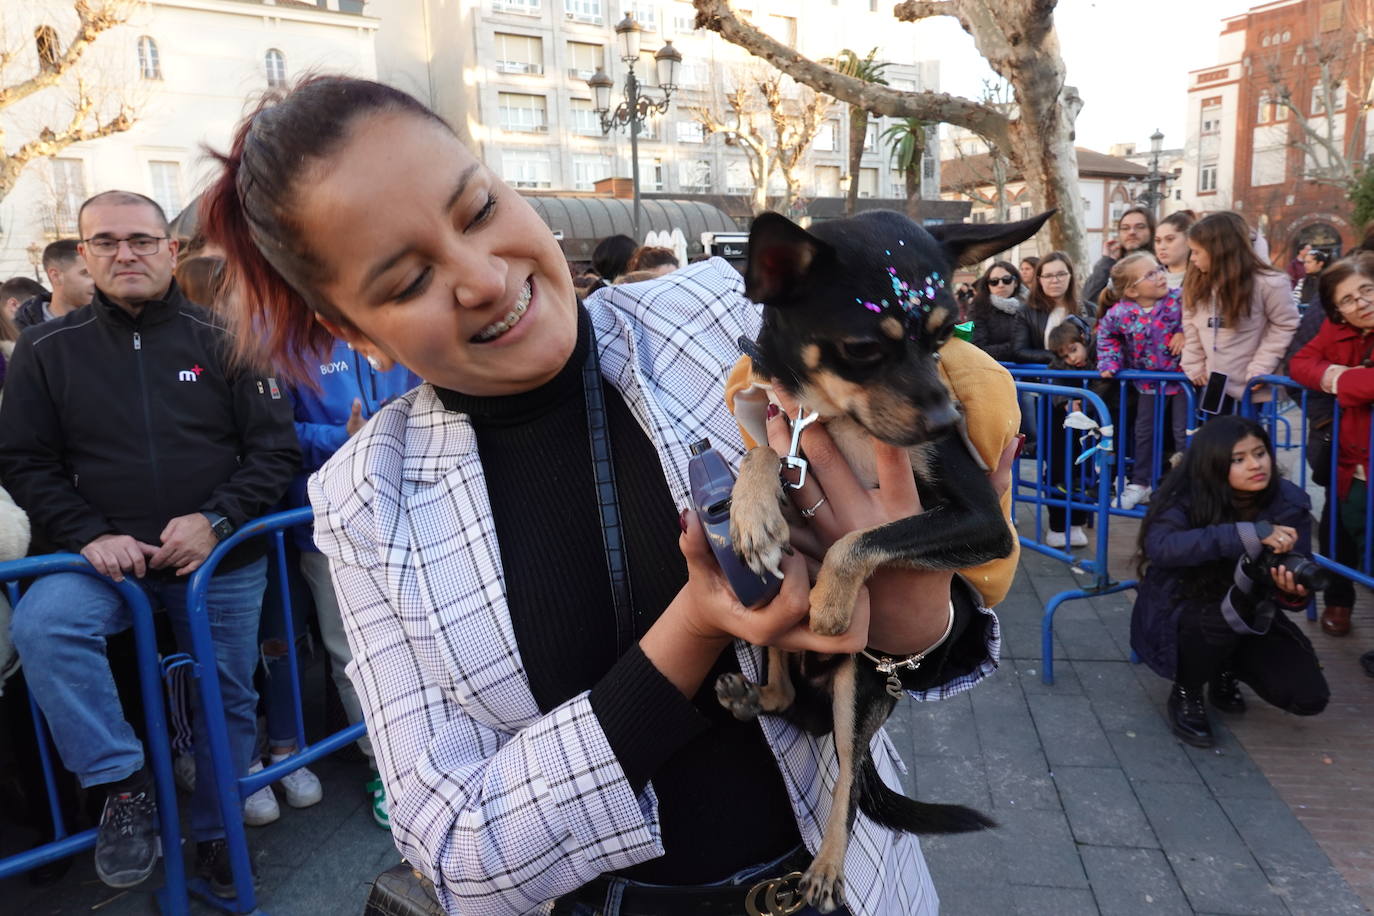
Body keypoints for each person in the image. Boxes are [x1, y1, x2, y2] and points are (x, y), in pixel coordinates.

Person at [199, 75, 1009, 916]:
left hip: (853, 891)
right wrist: (691, 630)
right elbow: (454, 855)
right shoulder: (365, 499)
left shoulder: (725, 317)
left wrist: (922, 614)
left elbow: (931, 639)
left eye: (477, 209)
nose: (482, 277)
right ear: (350, 332)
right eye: (407, 283)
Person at [0, 190, 300, 895]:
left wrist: (216, 522)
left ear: (172, 249)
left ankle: (217, 835)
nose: (124, 253)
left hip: (219, 560)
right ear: (83, 255)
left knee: (224, 697)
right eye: (105, 241)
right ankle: (121, 783)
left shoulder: (227, 335)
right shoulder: (46, 348)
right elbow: (24, 460)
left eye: (141, 239)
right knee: (45, 626)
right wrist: (89, 535)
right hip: (101, 562)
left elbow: (273, 450)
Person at [277, 337, 420, 828]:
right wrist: (346, 435)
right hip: (329, 526)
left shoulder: (394, 320)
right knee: (353, 654)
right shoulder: (286, 343)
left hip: (414, 506)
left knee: (427, 640)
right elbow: (276, 434)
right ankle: (386, 769)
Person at [1131, 415, 1329, 748]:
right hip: (1183, 605)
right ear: (1213, 463)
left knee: (1308, 697)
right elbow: (1161, 547)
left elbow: (1298, 570)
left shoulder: (1289, 502)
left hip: (1251, 610)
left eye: (1260, 453)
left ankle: (1226, 666)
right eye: (1239, 459)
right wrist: (1246, 534)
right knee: (1215, 622)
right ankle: (1188, 690)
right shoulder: (1185, 494)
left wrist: (1292, 591)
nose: (1255, 465)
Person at [1289, 251, 1374, 638]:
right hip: (1349, 460)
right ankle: (1339, 602)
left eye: (1367, 291)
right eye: (1348, 300)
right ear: (1337, 312)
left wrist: (1343, 384)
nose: (1362, 303)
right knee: (1340, 534)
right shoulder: (1336, 331)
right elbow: (1299, 363)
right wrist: (1337, 376)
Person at [1096, 252, 1188, 510]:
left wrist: (1184, 333)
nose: (1160, 275)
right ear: (1132, 291)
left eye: (1158, 269)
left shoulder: (1178, 300)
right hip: (1146, 384)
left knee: (1184, 433)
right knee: (1144, 433)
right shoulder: (1121, 312)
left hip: (1181, 380)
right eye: (1150, 274)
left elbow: (1198, 321)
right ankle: (1140, 482)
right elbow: (1106, 335)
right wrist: (1110, 362)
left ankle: (1189, 484)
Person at [1181, 212, 1299, 410]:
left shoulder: (1269, 283)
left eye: (1196, 252)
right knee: (1212, 438)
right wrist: (1193, 362)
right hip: (1211, 383)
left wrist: (1261, 367)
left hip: (1251, 385)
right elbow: (1191, 321)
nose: (1192, 258)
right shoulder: (1197, 282)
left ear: (1218, 251)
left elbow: (1285, 324)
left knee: (1246, 438)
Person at [1043, 320, 1111, 547]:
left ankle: (1076, 524)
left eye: (1073, 350)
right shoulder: (1058, 366)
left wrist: (1084, 402)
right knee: (1059, 472)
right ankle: (1058, 525)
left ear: (1083, 339)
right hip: (1063, 431)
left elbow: (1104, 382)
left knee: (1086, 473)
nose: (1071, 358)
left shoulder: (1101, 356)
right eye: (1065, 356)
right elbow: (1054, 380)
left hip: (1091, 428)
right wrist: (1065, 400)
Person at [1012, 251, 1093, 364]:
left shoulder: (1089, 309)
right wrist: (1061, 358)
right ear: (1040, 280)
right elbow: (1019, 352)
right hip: (1044, 378)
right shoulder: (1026, 312)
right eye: (1048, 276)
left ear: (1070, 276)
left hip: (1087, 378)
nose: (1055, 280)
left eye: (1061, 274)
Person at [14, 240, 95, 330]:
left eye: (98, 273)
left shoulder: (109, 324)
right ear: (55, 276)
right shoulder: (20, 331)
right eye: (87, 273)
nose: (97, 282)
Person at [1083, 207, 1155, 303]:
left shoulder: (1161, 266)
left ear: (1152, 231)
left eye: (1140, 227)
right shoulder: (1112, 267)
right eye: (1125, 228)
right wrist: (1107, 260)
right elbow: (1088, 300)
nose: (1132, 232)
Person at [970, 260, 1023, 362]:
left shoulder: (1030, 305)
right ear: (988, 285)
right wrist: (1018, 347)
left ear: (1015, 282)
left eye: (1006, 280)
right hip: (992, 370)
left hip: (1031, 373)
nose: (1001, 285)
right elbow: (977, 349)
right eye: (994, 281)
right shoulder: (978, 308)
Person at [1154, 210, 1195, 289]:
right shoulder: (1149, 278)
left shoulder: (1205, 280)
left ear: (1189, 240)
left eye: (1170, 239)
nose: (1162, 247)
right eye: (1158, 241)